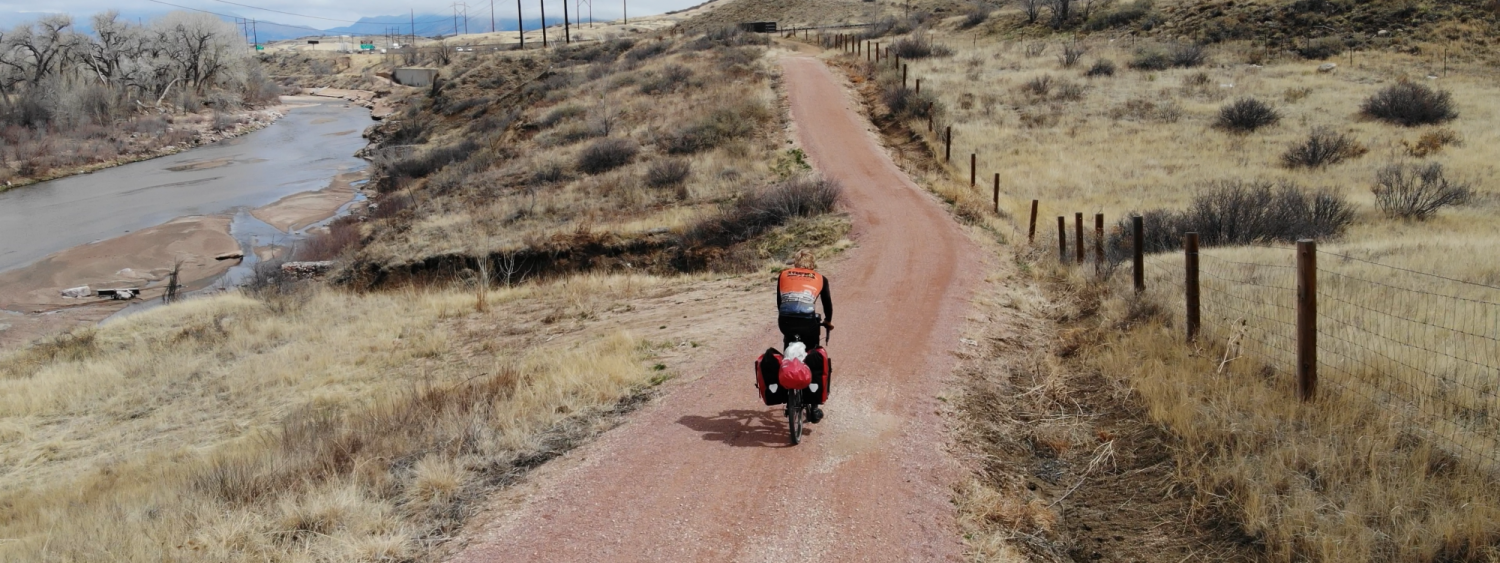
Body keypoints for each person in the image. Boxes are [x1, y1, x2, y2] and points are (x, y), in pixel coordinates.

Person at [775, 250, 832, 423]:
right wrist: (828, 322)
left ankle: (788, 391)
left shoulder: (783, 275)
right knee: (813, 354)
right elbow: (828, 305)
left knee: (788, 347)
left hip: (785, 322)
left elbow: (780, 303)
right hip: (808, 323)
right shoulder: (820, 278)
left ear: (796, 263)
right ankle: (814, 408)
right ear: (813, 264)